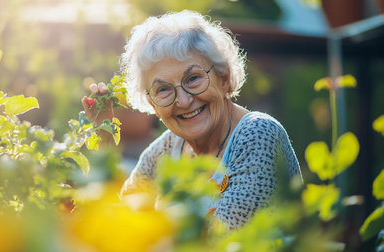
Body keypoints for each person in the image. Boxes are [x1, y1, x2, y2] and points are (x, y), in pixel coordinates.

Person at [81, 10, 302, 229]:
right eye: (163, 89)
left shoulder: (258, 134)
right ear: (153, 106)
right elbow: (118, 229)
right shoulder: (162, 153)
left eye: (193, 78)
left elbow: (220, 241)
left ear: (223, 78)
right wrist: (105, 145)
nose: (184, 101)